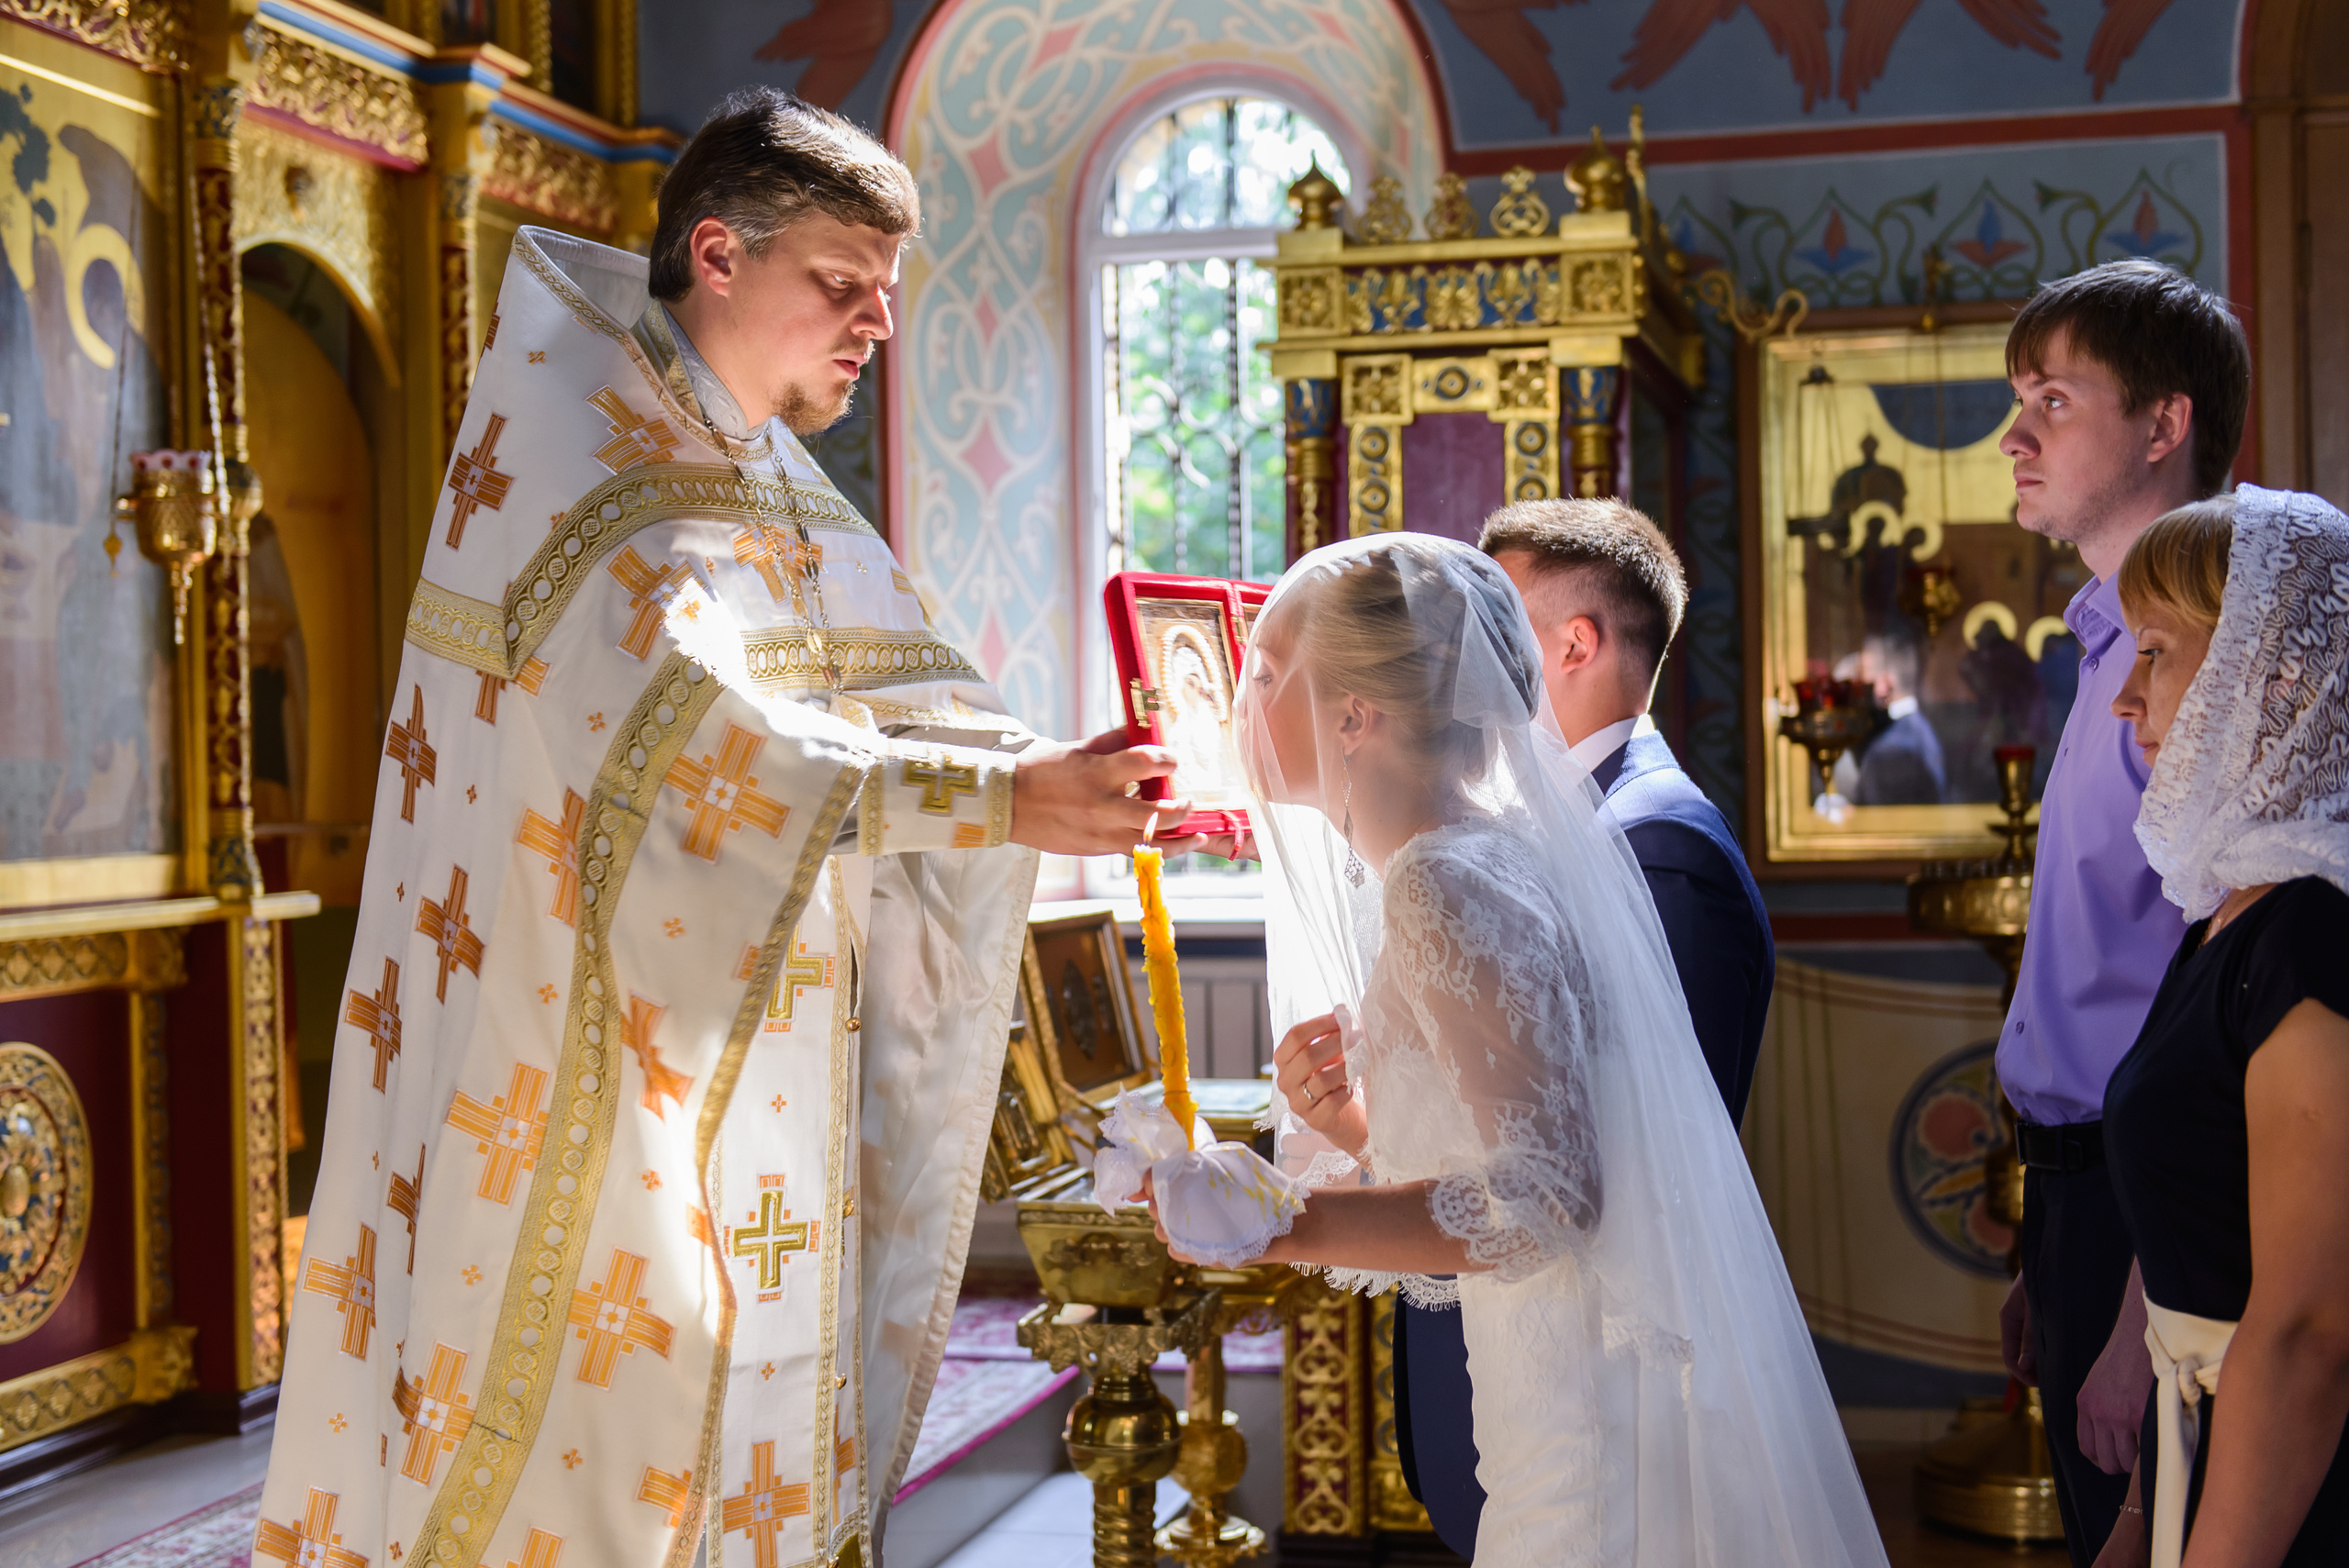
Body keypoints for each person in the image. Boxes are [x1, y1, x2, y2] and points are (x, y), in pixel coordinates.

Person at [258, 89, 1206, 1568]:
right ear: (717, 252)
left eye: (890, 293)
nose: (876, 323)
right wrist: (1007, 798)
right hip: (589, 1062)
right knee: (610, 1429)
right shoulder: (588, 451)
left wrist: (1049, 766)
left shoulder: (753, 466)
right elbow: (698, 741)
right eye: (842, 284)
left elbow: (901, 689)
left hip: (766, 1072)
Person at [1169, 532, 1885, 1566]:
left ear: (1354, 714)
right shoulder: (1475, 858)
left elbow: (1548, 1195)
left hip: (1577, 1415)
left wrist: (1281, 1222)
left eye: (1271, 673)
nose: (1243, 701)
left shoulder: (1439, 884)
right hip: (1548, 1380)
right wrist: (1353, 1127)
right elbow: (1509, 1138)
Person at [1381, 498, 1776, 1555]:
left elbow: (1649, 1164)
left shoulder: (1661, 854)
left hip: (1595, 1388)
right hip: (1510, 1354)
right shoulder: (1529, 831)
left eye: (1484, 629)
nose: (1455, 664)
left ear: (1571, 643)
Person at [1991, 259, 2251, 1568]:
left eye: (2053, 397)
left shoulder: (2209, 653)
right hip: (2082, 1200)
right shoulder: (2108, 641)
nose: (2014, 433)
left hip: (2173, 1216)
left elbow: (2229, 1018)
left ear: (2165, 424)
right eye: (2014, 398)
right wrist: (2049, 1252)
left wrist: (2145, 1310)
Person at [2095, 488, 2349, 1568]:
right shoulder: (2228, 911)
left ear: (2274, 680)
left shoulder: (2311, 934)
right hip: (2199, 1454)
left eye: (2154, 650)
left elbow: (2305, 1331)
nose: (2124, 696)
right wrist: (2138, 1514)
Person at [1852, 632, 1947, 806]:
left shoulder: (1892, 749)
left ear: (1884, 683)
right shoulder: (1918, 729)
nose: (1857, 684)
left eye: (1863, 675)